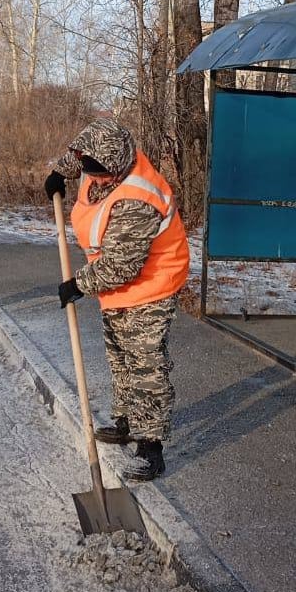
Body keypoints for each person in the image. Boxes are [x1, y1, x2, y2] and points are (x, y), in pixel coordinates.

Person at [45, 119, 190, 481]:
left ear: (119, 164)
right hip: (116, 286)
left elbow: (122, 265)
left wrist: (78, 284)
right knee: (120, 355)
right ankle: (126, 420)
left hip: (151, 282)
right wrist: (58, 173)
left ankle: (151, 446)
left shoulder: (138, 198)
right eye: (91, 170)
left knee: (145, 364)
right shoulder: (98, 155)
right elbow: (78, 155)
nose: (97, 178)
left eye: (104, 173)